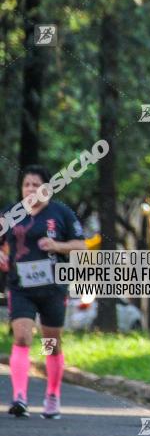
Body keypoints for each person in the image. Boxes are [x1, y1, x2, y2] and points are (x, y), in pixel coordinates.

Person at [0, 165, 86, 418]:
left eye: (36, 185)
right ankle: (20, 397)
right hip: (21, 287)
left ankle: (52, 394)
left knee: (51, 345)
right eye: (27, 185)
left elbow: (81, 246)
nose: (30, 189)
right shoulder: (11, 214)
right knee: (22, 337)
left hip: (53, 288)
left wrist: (57, 245)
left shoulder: (61, 213)